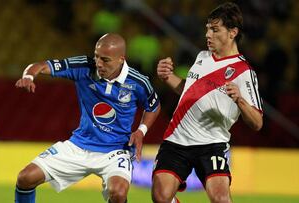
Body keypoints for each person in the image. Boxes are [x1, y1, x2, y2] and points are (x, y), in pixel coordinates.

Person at [14, 33, 161, 203]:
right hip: (79, 145)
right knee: (25, 178)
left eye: (105, 60)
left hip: (115, 150)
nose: (98, 63)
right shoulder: (84, 67)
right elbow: (41, 65)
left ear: (121, 59)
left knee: (118, 193)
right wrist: (28, 76)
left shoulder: (138, 82)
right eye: (96, 56)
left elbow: (154, 106)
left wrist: (141, 131)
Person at [151, 2, 263, 203]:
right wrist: (168, 77)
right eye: (207, 29)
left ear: (232, 32)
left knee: (221, 199)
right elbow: (189, 91)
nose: (207, 35)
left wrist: (240, 100)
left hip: (212, 144)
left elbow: (257, 123)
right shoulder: (202, 57)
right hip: (177, 139)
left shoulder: (244, 72)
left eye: (215, 30)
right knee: (161, 197)